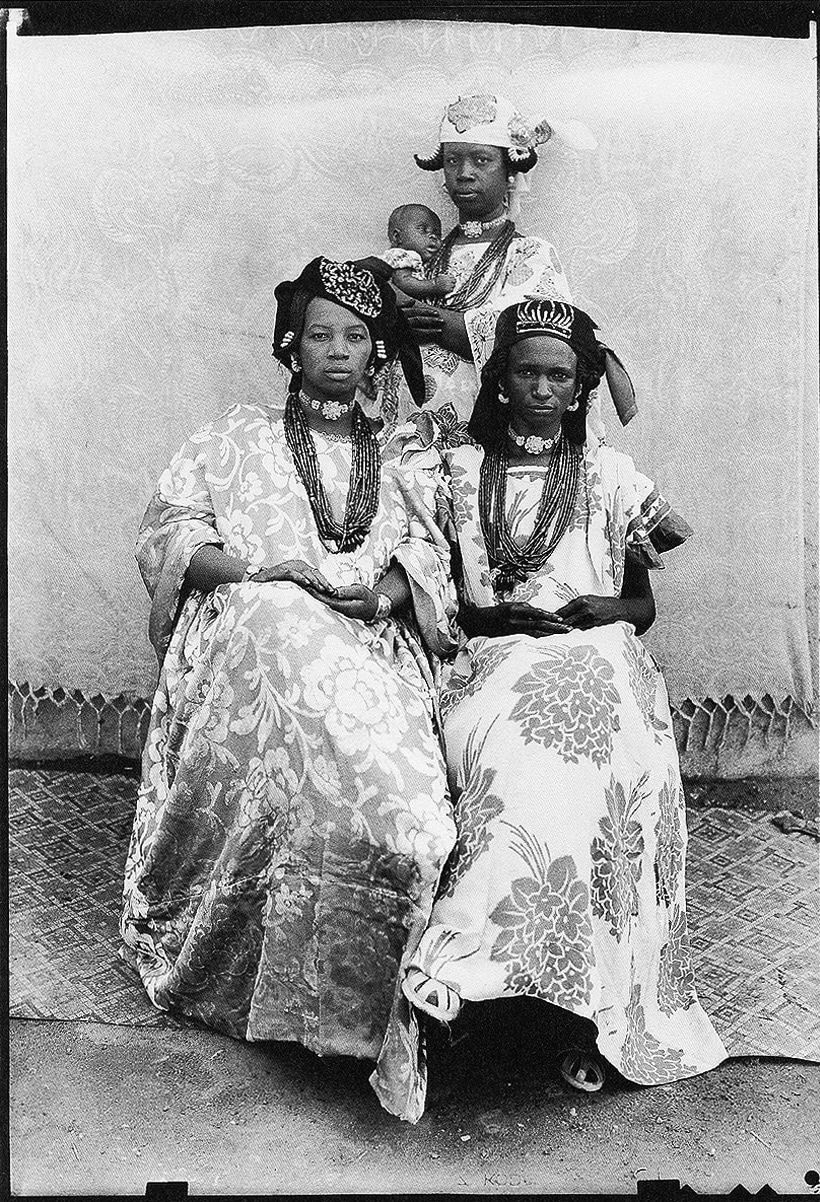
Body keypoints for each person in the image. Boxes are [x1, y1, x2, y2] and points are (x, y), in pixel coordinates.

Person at [120, 256, 461, 1105]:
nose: (337, 351)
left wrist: (379, 596)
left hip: (371, 645)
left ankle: (375, 1008)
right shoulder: (234, 436)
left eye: (355, 336)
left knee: (409, 816)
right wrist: (263, 572)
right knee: (276, 625)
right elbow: (168, 534)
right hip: (259, 632)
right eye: (319, 335)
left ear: (378, 349)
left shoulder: (407, 455)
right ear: (290, 343)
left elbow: (426, 554)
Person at [382, 297, 727, 1119]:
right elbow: (444, 599)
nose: (542, 387)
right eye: (526, 372)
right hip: (494, 656)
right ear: (499, 381)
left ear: (580, 390)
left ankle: (586, 1005)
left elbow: (639, 608)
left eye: (559, 376)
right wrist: (494, 618)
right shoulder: (456, 475)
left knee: (596, 739)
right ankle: (466, 972)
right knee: (514, 766)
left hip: (599, 656)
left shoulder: (609, 476)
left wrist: (609, 612)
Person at [378, 92, 605, 442]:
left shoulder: (530, 253)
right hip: (413, 426)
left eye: (481, 161)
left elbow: (535, 343)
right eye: (453, 161)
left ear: (510, 172)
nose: (464, 173)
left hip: (491, 433)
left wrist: (443, 324)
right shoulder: (421, 254)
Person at [382, 203, 457, 301]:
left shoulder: (421, 260)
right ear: (397, 237)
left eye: (437, 234)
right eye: (423, 230)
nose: (433, 236)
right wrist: (434, 284)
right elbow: (402, 281)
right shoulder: (402, 255)